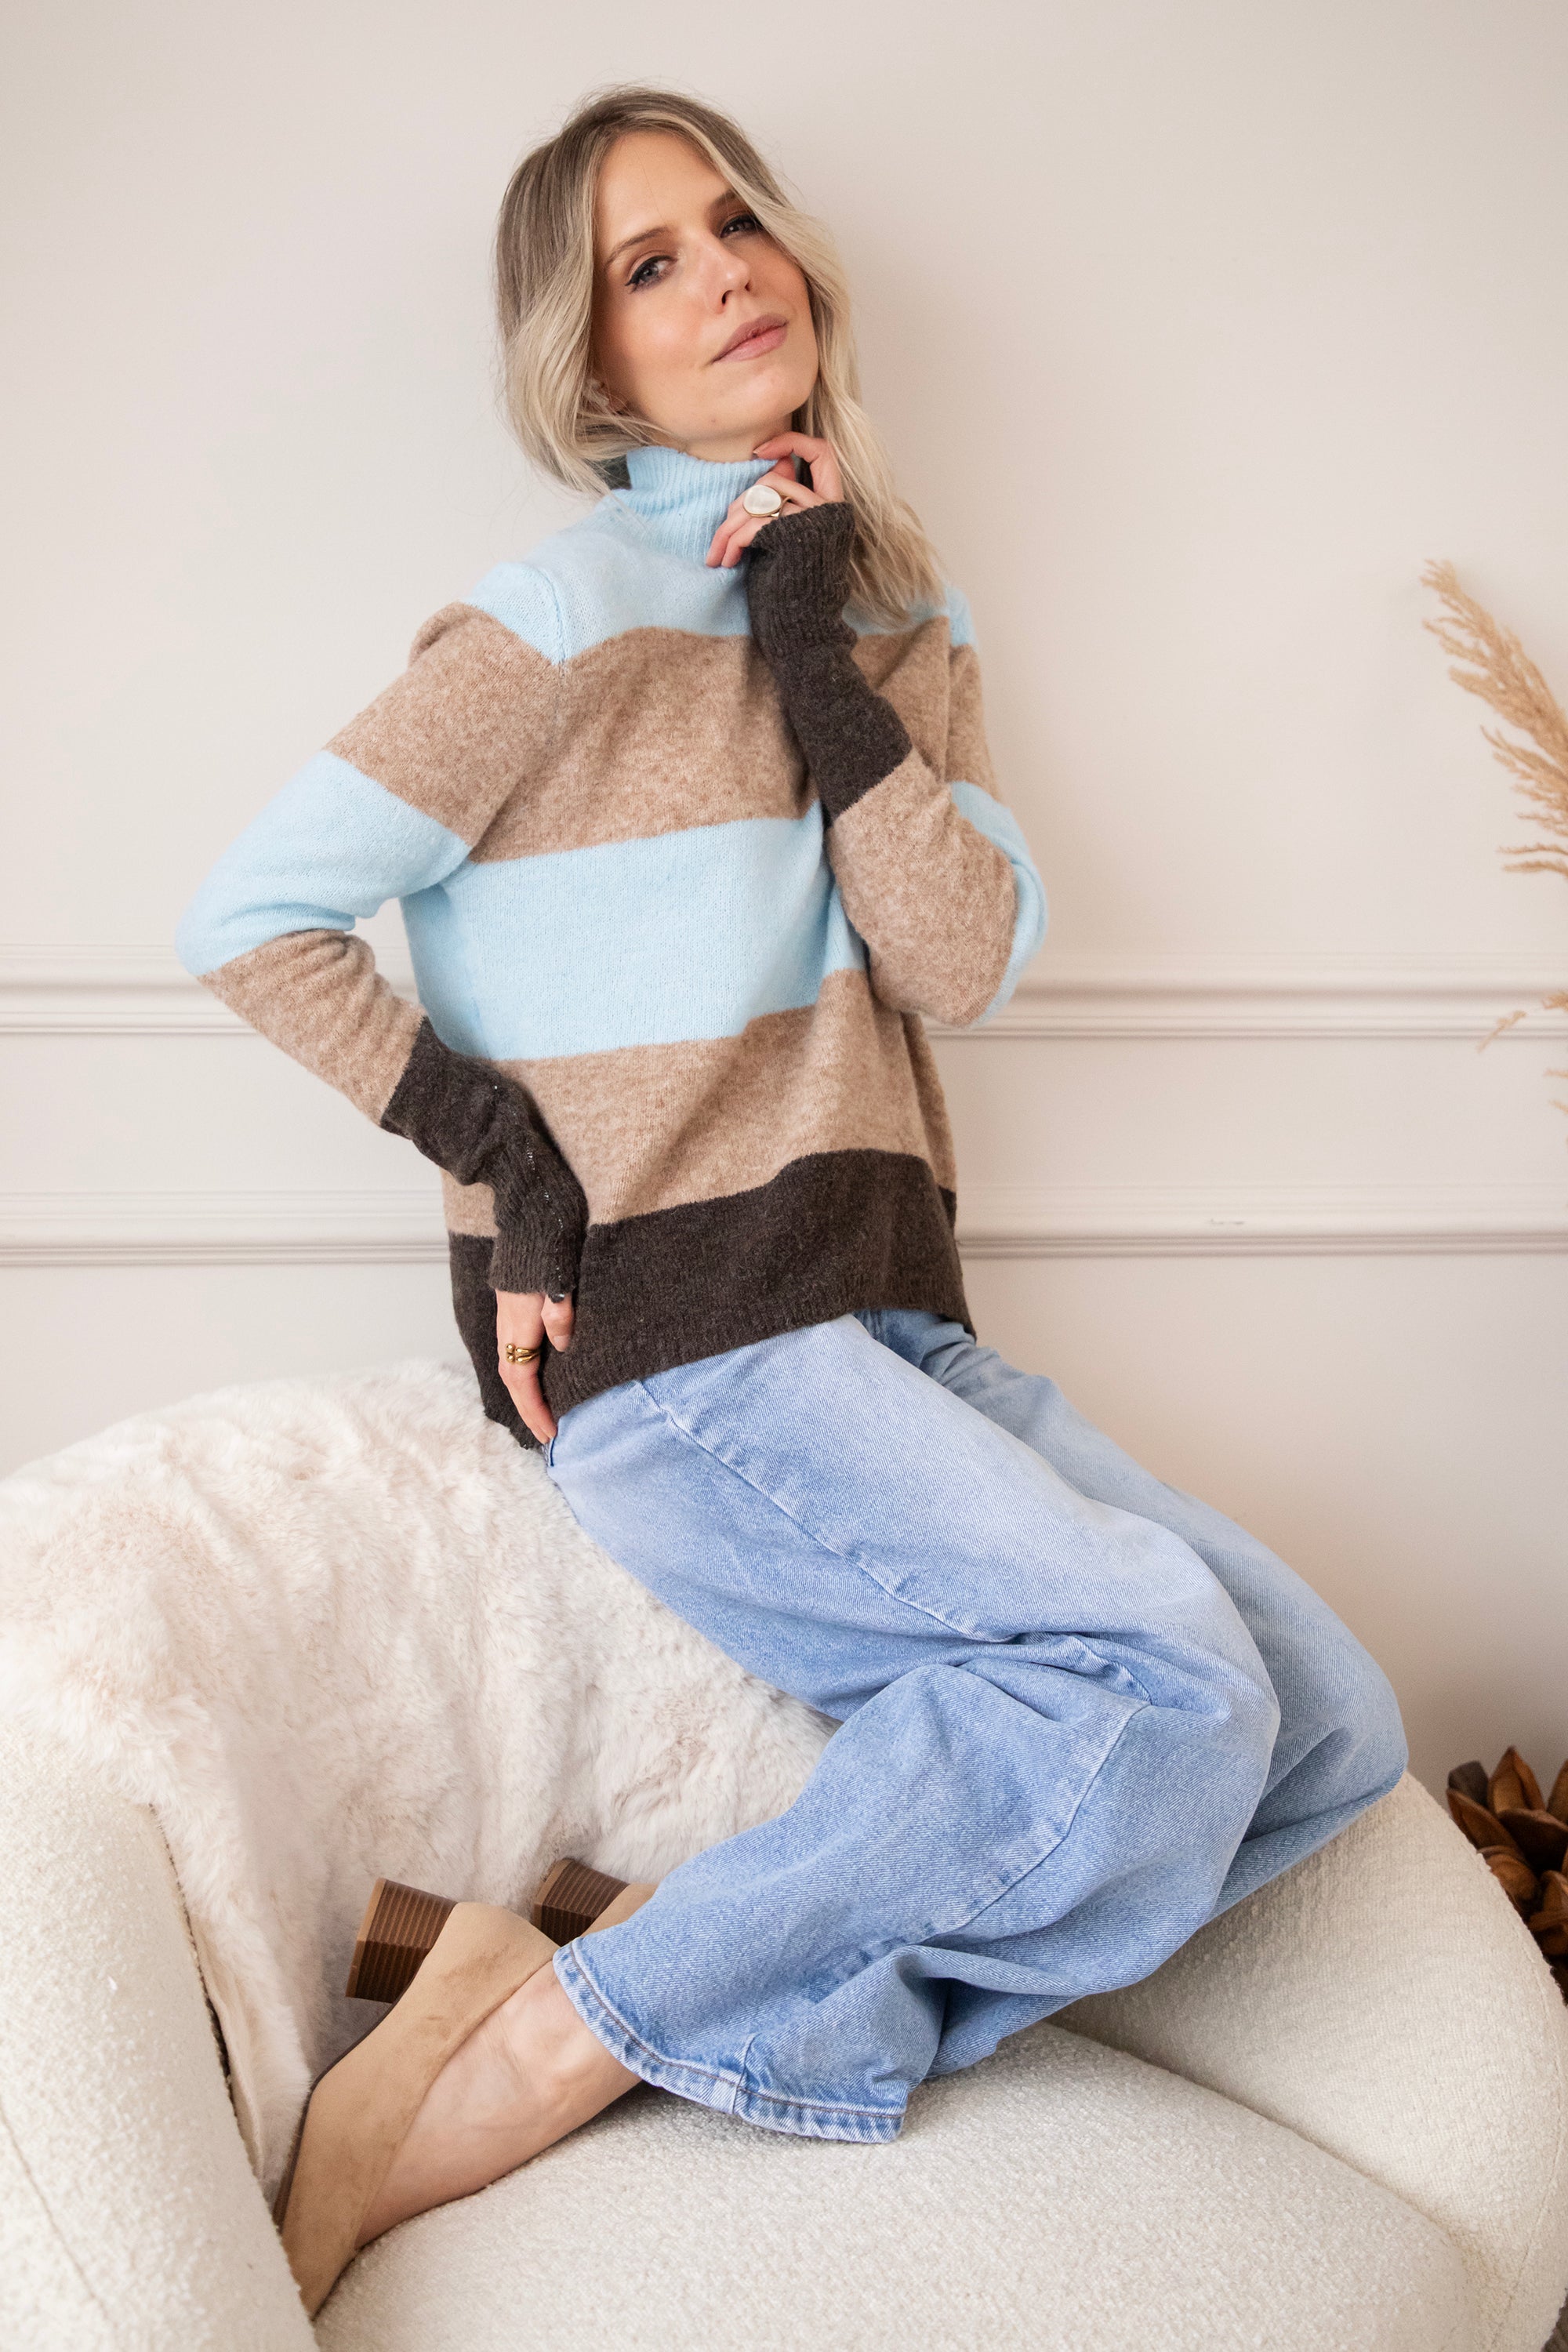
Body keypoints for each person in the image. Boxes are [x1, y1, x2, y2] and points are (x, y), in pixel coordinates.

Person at [176, 85, 1406, 2314]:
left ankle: (680, 1969)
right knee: (1155, 1680)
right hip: (683, 1346)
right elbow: (249, 919)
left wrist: (813, 633)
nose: (722, 273)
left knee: (1320, 1721)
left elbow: (955, 957)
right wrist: (511, 1170)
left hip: (884, 1318)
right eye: (649, 264)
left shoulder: (892, 620)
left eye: (733, 222)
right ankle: (542, 2055)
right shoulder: (554, 620)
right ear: (588, 359)